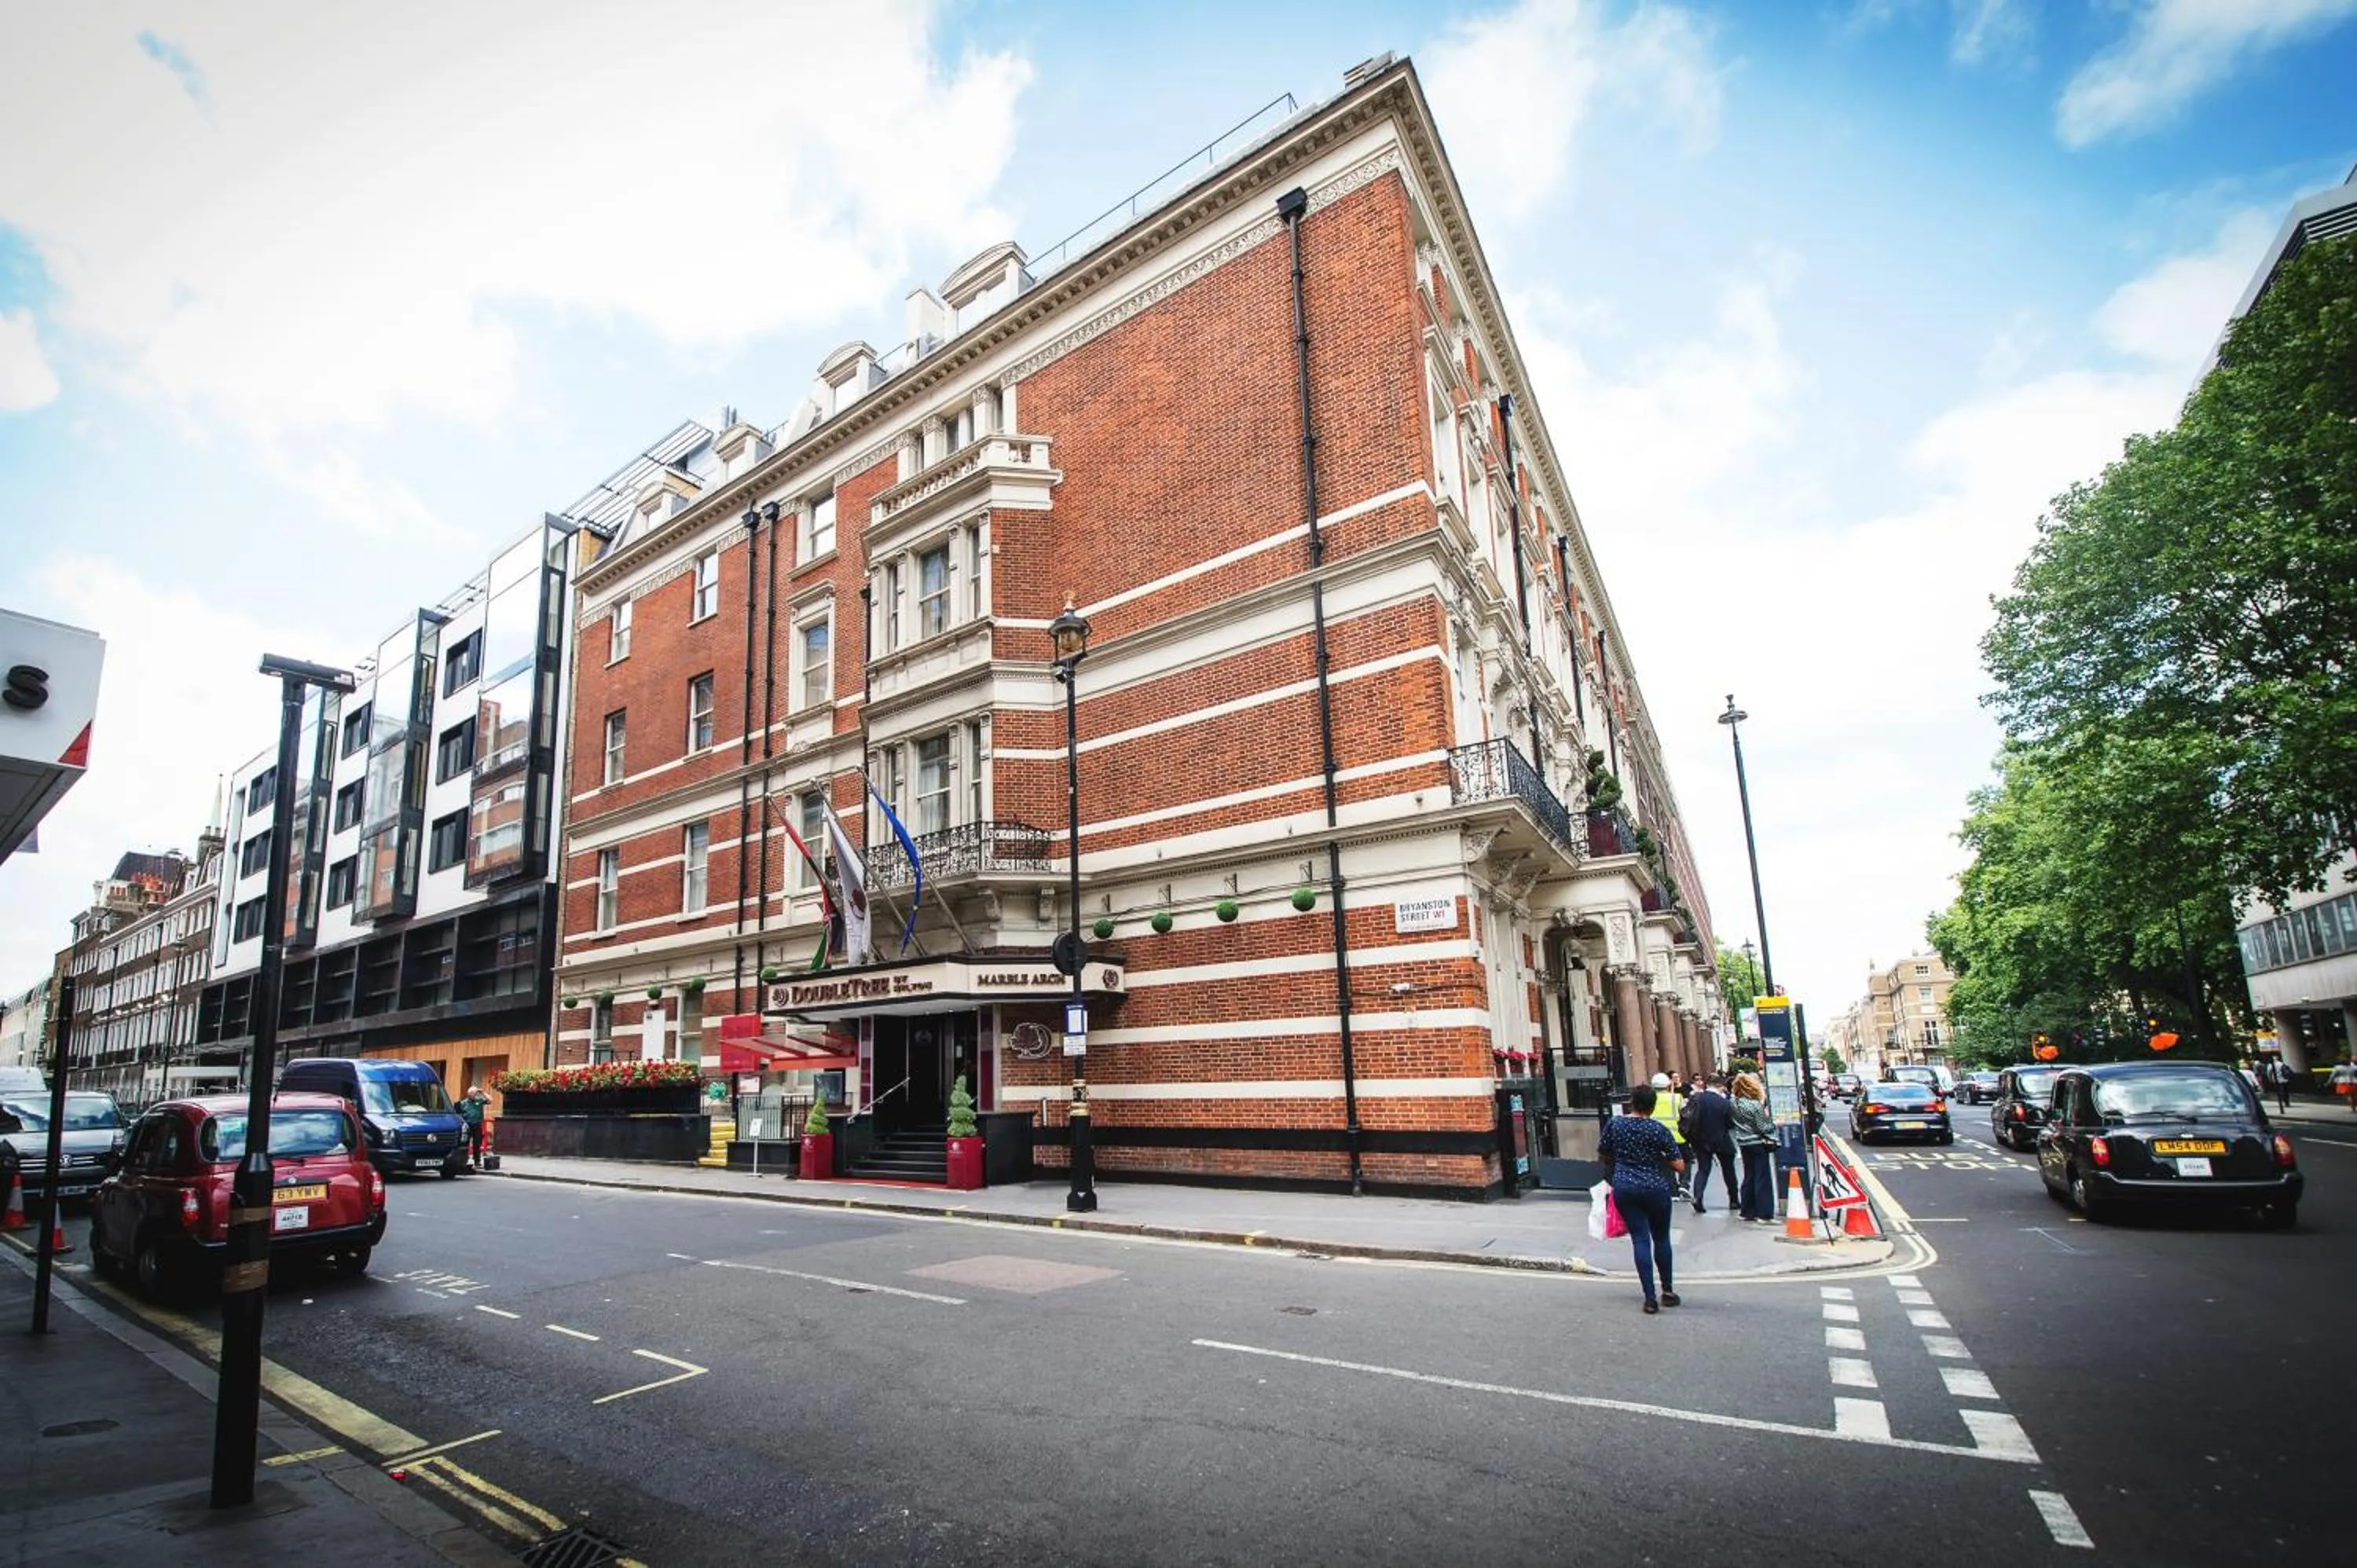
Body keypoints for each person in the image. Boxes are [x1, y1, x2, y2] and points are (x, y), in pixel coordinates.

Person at [1600, 1084, 1684, 1313]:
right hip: (1656, 1188)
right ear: (1653, 1106)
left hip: (1626, 1188)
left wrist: (1619, 1164)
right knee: (1661, 1239)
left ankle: (1649, 1297)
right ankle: (1667, 1290)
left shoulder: (1615, 1125)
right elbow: (1679, 1165)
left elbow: (1603, 1152)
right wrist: (1660, 1159)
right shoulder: (1659, 1130)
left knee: (1640, 1239)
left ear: (1632, 1103)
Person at [1685, 1075, 1738, 1214]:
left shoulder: (1697, 1098)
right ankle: (1734, 1200)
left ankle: (1697, 1197)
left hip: (1700, 1140)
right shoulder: (1724, 1103)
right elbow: (1730, 1123)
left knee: (1703, 1170)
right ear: (1720, 1086)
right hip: (1721, 1139)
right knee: (1729, 1171)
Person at [1731, 1073, 1779, 1223]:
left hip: (1743, 1143)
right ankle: (1764, 1214)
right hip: (1757, 1143)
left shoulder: (1734, 1103)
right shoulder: (1755, 1105)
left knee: (1749, 1177)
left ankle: (1747, 1211)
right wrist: (1775, 1124)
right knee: (1762, 1178)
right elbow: (1763, 1127)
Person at [1648, 1072, 1691, 1201]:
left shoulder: (1650, 1100)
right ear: (1668, 1085)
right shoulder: (1677, 1098)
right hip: (1678, 1136)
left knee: (1667, 1164)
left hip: (1658, 1137)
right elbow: (1686, 1114)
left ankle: (1673, 1191)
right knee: (1686, 1160)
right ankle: (1684, 1183)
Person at [458, 1083, 489, 1167]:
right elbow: (458, 1114)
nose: (475, 1095)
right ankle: (463, 1160)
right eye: (474, 1093)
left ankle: (477, 1161)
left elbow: (490, 1100)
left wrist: (482, 1092)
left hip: (477, 1125)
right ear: (469, 1094)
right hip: (467, 1126)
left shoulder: (479, 1100)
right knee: (465, 1143)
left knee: (477, 1143)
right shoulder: (463, 1103)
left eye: (476, 1093)